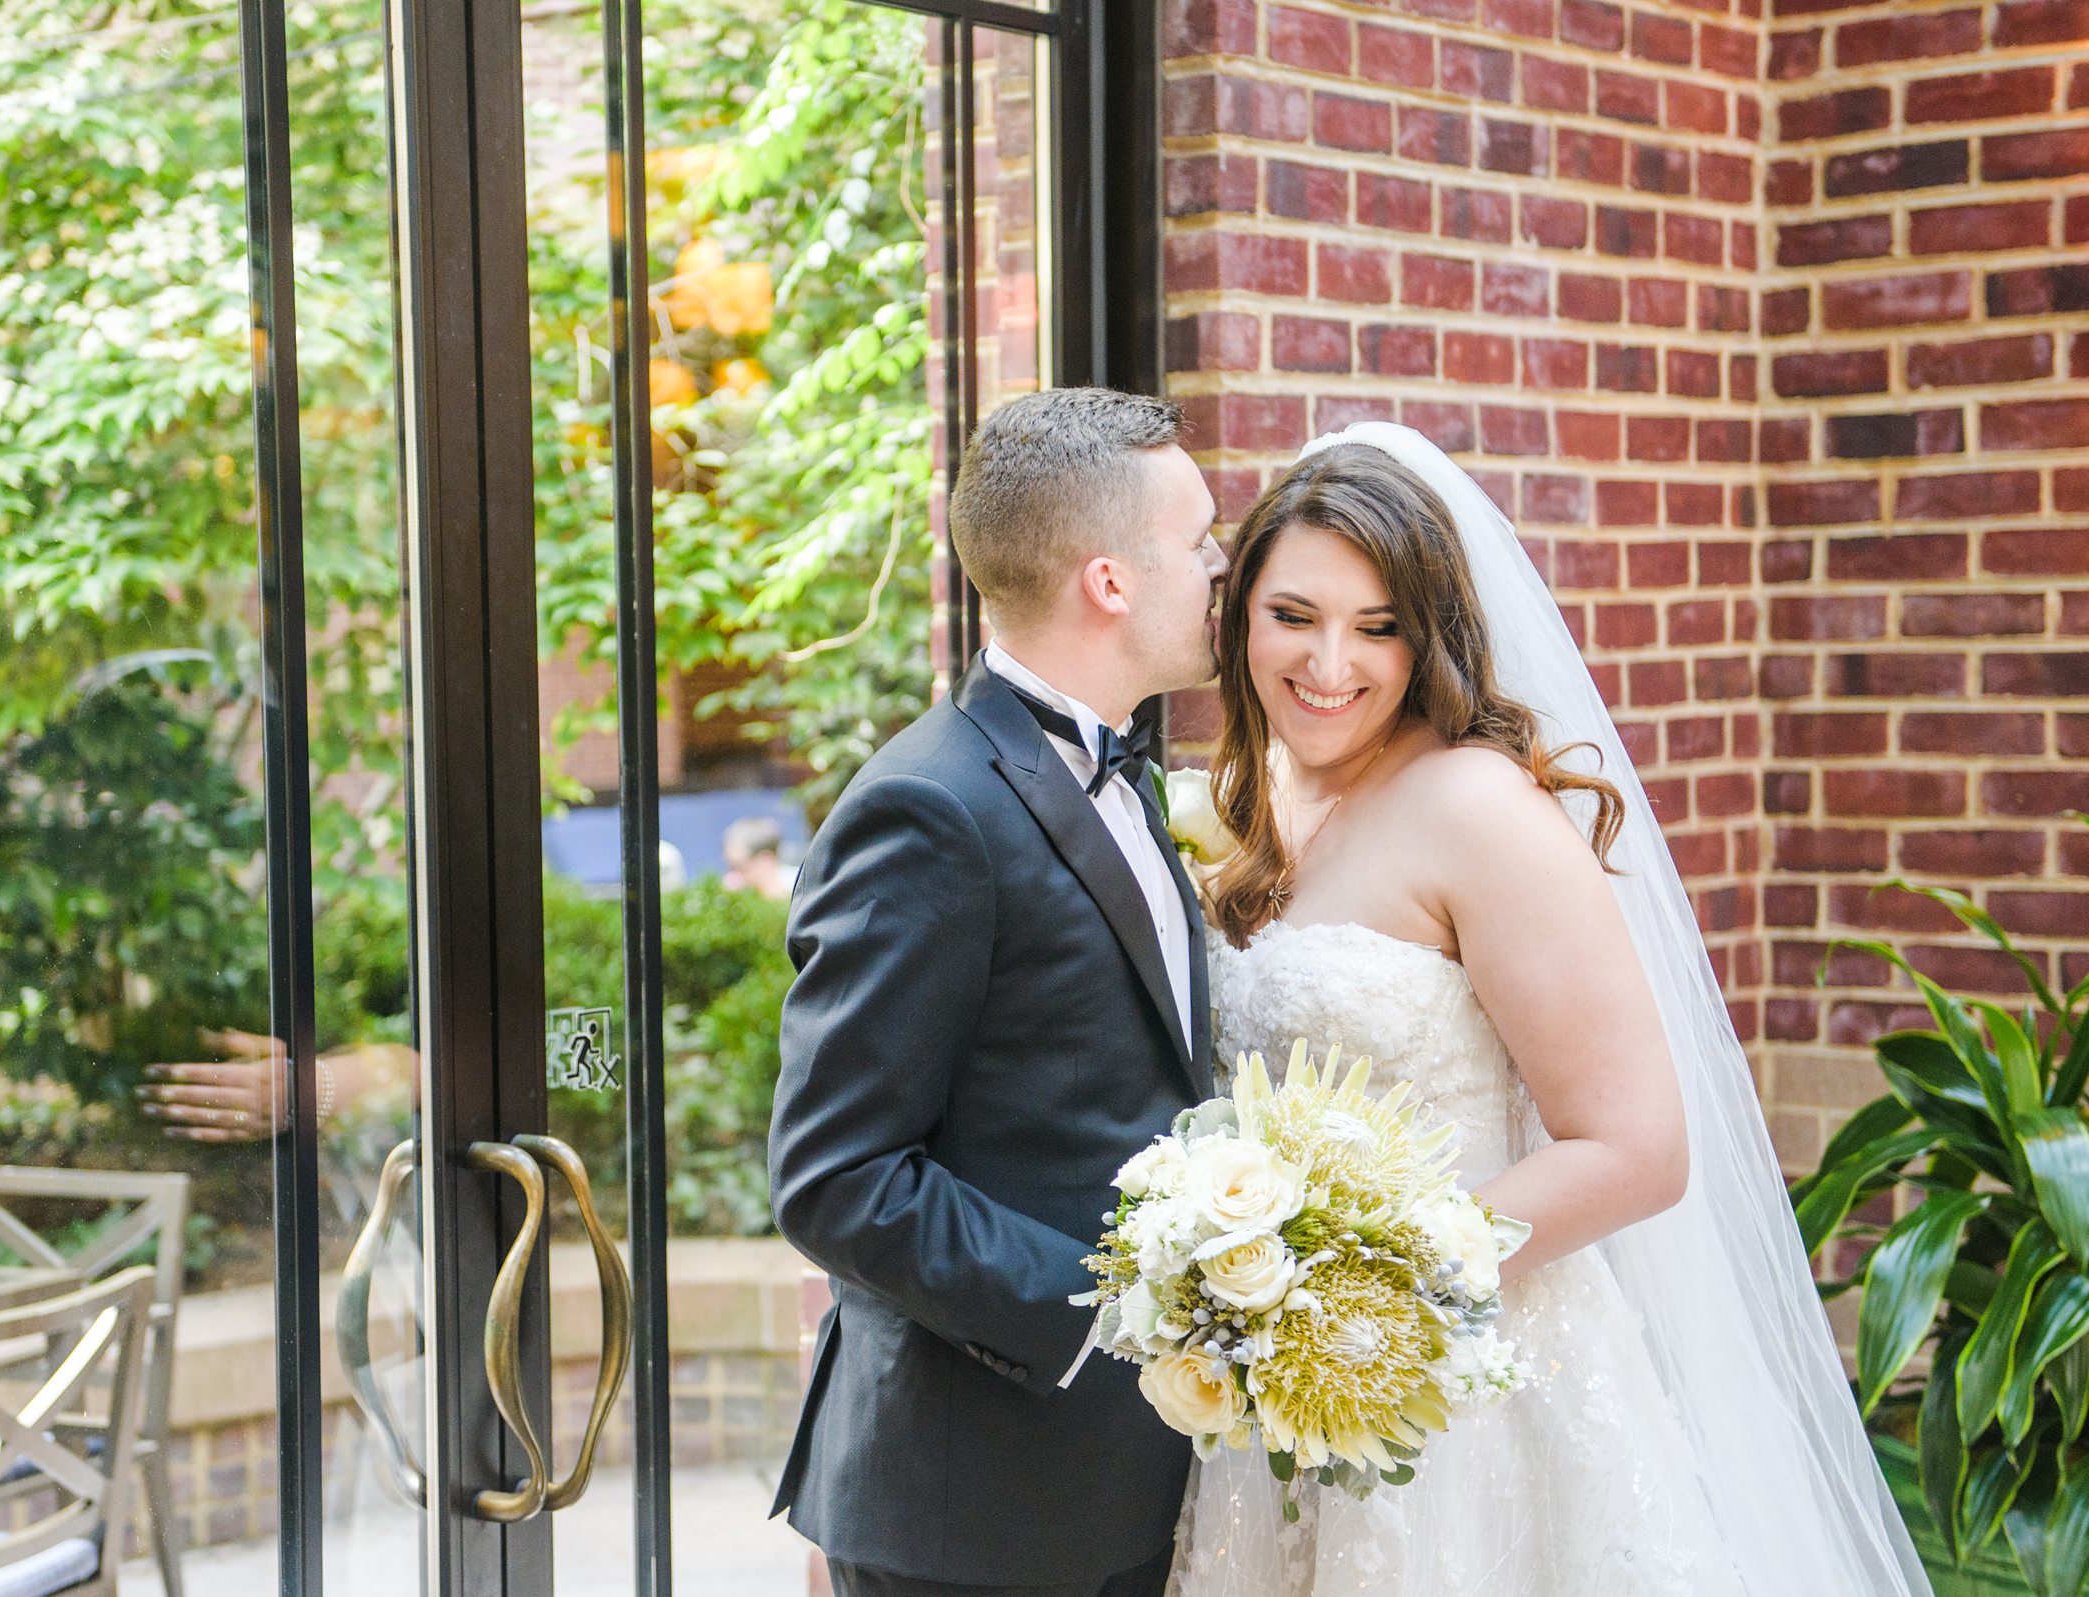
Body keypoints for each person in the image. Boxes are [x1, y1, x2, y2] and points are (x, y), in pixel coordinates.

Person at [1171, 422, 1927, 1596]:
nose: (1330, 664)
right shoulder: (1265, 797)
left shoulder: (1475, 806)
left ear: (1430, 638)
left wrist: (1365, 1294)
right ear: (1239, 616)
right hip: (1289, 1391)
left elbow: (1636, 1149)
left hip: (1470, 1395)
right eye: (1294, 615)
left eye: (1378, 628)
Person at [767, 386, 1229, 1597]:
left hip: (1112, 1489)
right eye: (1197, 539)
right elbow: (838, 1174)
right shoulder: (929, 808)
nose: (1218, 563)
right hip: (973, 1514)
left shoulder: (1122, 772)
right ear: (1110, 581)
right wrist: (1110, 1313)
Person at [722, 814, 794, 899]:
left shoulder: (802, 888)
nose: (732, 876)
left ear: (766, 860)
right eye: (730, 868)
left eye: (740, 867)